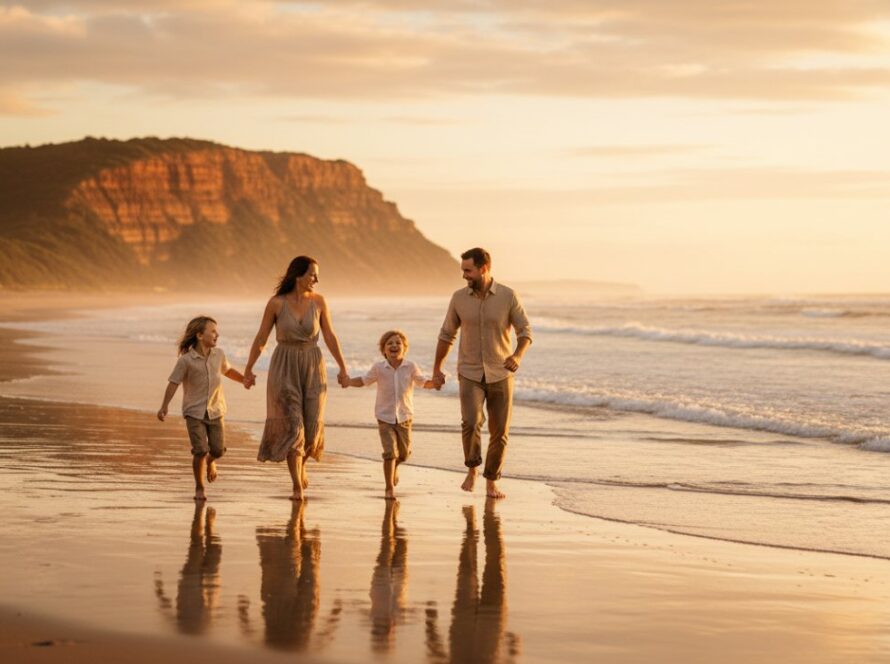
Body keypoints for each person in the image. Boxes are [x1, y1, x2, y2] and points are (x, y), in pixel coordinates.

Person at [244, 256, 349, 501]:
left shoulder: (320, 302)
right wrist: (249, 369)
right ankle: (296, 487)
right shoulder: (276, 304)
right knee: (294, 426)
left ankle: (302, 466)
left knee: (311, 426)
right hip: (284, 366)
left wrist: (343, 368)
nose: (317, 279)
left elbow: (330, 336)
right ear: (298, 275)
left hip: (313, 365)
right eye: (313, 274)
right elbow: (261, 338)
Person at [432, 248, 532, 499]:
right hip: (469, 372)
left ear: (484, 268)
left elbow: (525, 331)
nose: (464, 275)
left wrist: (517, 355)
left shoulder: (508, 296)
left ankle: (491, 481)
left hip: (501, 372)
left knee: (500, 432)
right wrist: (437, 369)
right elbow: (446, 335)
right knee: (471, 422)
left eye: (468, 270)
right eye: (463, 270)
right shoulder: (458, 298)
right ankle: (472, 469)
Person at [158, 315, 248, 501]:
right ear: (199, 335)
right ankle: (200, 488)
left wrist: (244, 380)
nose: (217, 334)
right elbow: (173, 383)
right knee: (200, 450)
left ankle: (211, 461)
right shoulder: (186, 360)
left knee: (217, 450)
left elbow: (228, 370)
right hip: (194, 412)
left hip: (216, 411)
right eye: (213, 331)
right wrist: (164, 406)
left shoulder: (219, 355)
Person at [344, 330, 435, 500]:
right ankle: (389, 488)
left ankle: (395, 467)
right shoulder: (379, 368)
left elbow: (423, 382)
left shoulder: (411, 367)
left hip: (405, 417)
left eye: (398, 343)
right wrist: (348, 381)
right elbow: (364, 381)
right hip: (384, 417)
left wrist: (435, 383)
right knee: (389, 453)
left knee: (404, 454)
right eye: (390, 343)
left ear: (404, 348)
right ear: (384, 349)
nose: (394, 346)